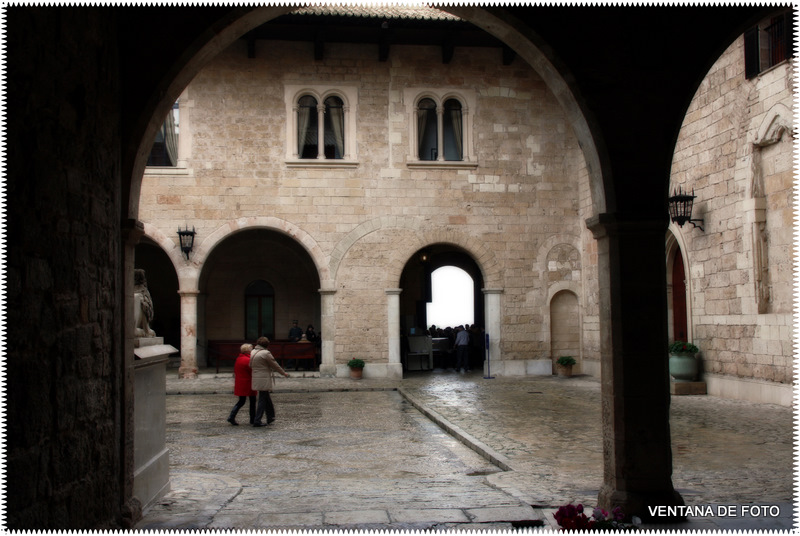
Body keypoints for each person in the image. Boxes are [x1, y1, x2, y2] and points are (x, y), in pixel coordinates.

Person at [249, 336, 290, 427]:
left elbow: (250, 365)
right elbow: (275, 365)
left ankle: (270, 416)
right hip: (264, 377)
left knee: (265, 396)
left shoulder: (253, 352)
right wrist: (283, 373)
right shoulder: (265, 353)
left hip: (256, 376)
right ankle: (257, 420)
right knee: (262, 399)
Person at [227, 343, 257, 426]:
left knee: (241, 401)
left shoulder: (239, 358)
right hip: (248, 382)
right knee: (252, 401)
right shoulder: (248, 360)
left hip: (241, 382)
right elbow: (252, 371)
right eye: (251, 349)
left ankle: (232, 416)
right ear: (247, 350)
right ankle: (252, 419)